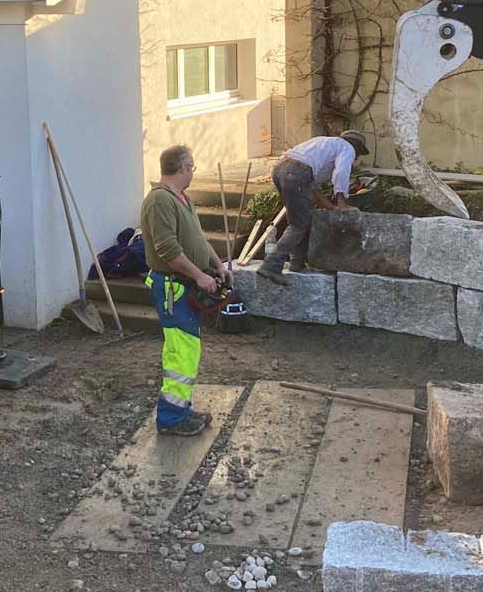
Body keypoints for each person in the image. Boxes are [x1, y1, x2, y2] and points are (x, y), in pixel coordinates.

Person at [140, 144, 233, 435]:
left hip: (184, 285)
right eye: (191, 167)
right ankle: (170, 419)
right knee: (180, 353)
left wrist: (218, 266)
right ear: (182, 168)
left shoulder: (182, 199)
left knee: (188, 350)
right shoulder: (159, 201)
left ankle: (182, 409)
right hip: (172, 287)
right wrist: (199, 276)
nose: (193, 171)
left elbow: (198, 240)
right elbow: (167, 250)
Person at [258, 130, 369, 286]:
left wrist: (332, 208)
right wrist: (342, 205)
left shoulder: (323, 145)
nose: (356, 158)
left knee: (300, 219)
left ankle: (297, 262)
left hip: (281, 169)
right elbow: (341, 173)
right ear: (356, 146)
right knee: (298, 225)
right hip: (295, 174)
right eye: (359, 154)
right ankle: (271, 265)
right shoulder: (347, 147)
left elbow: (313, 188)